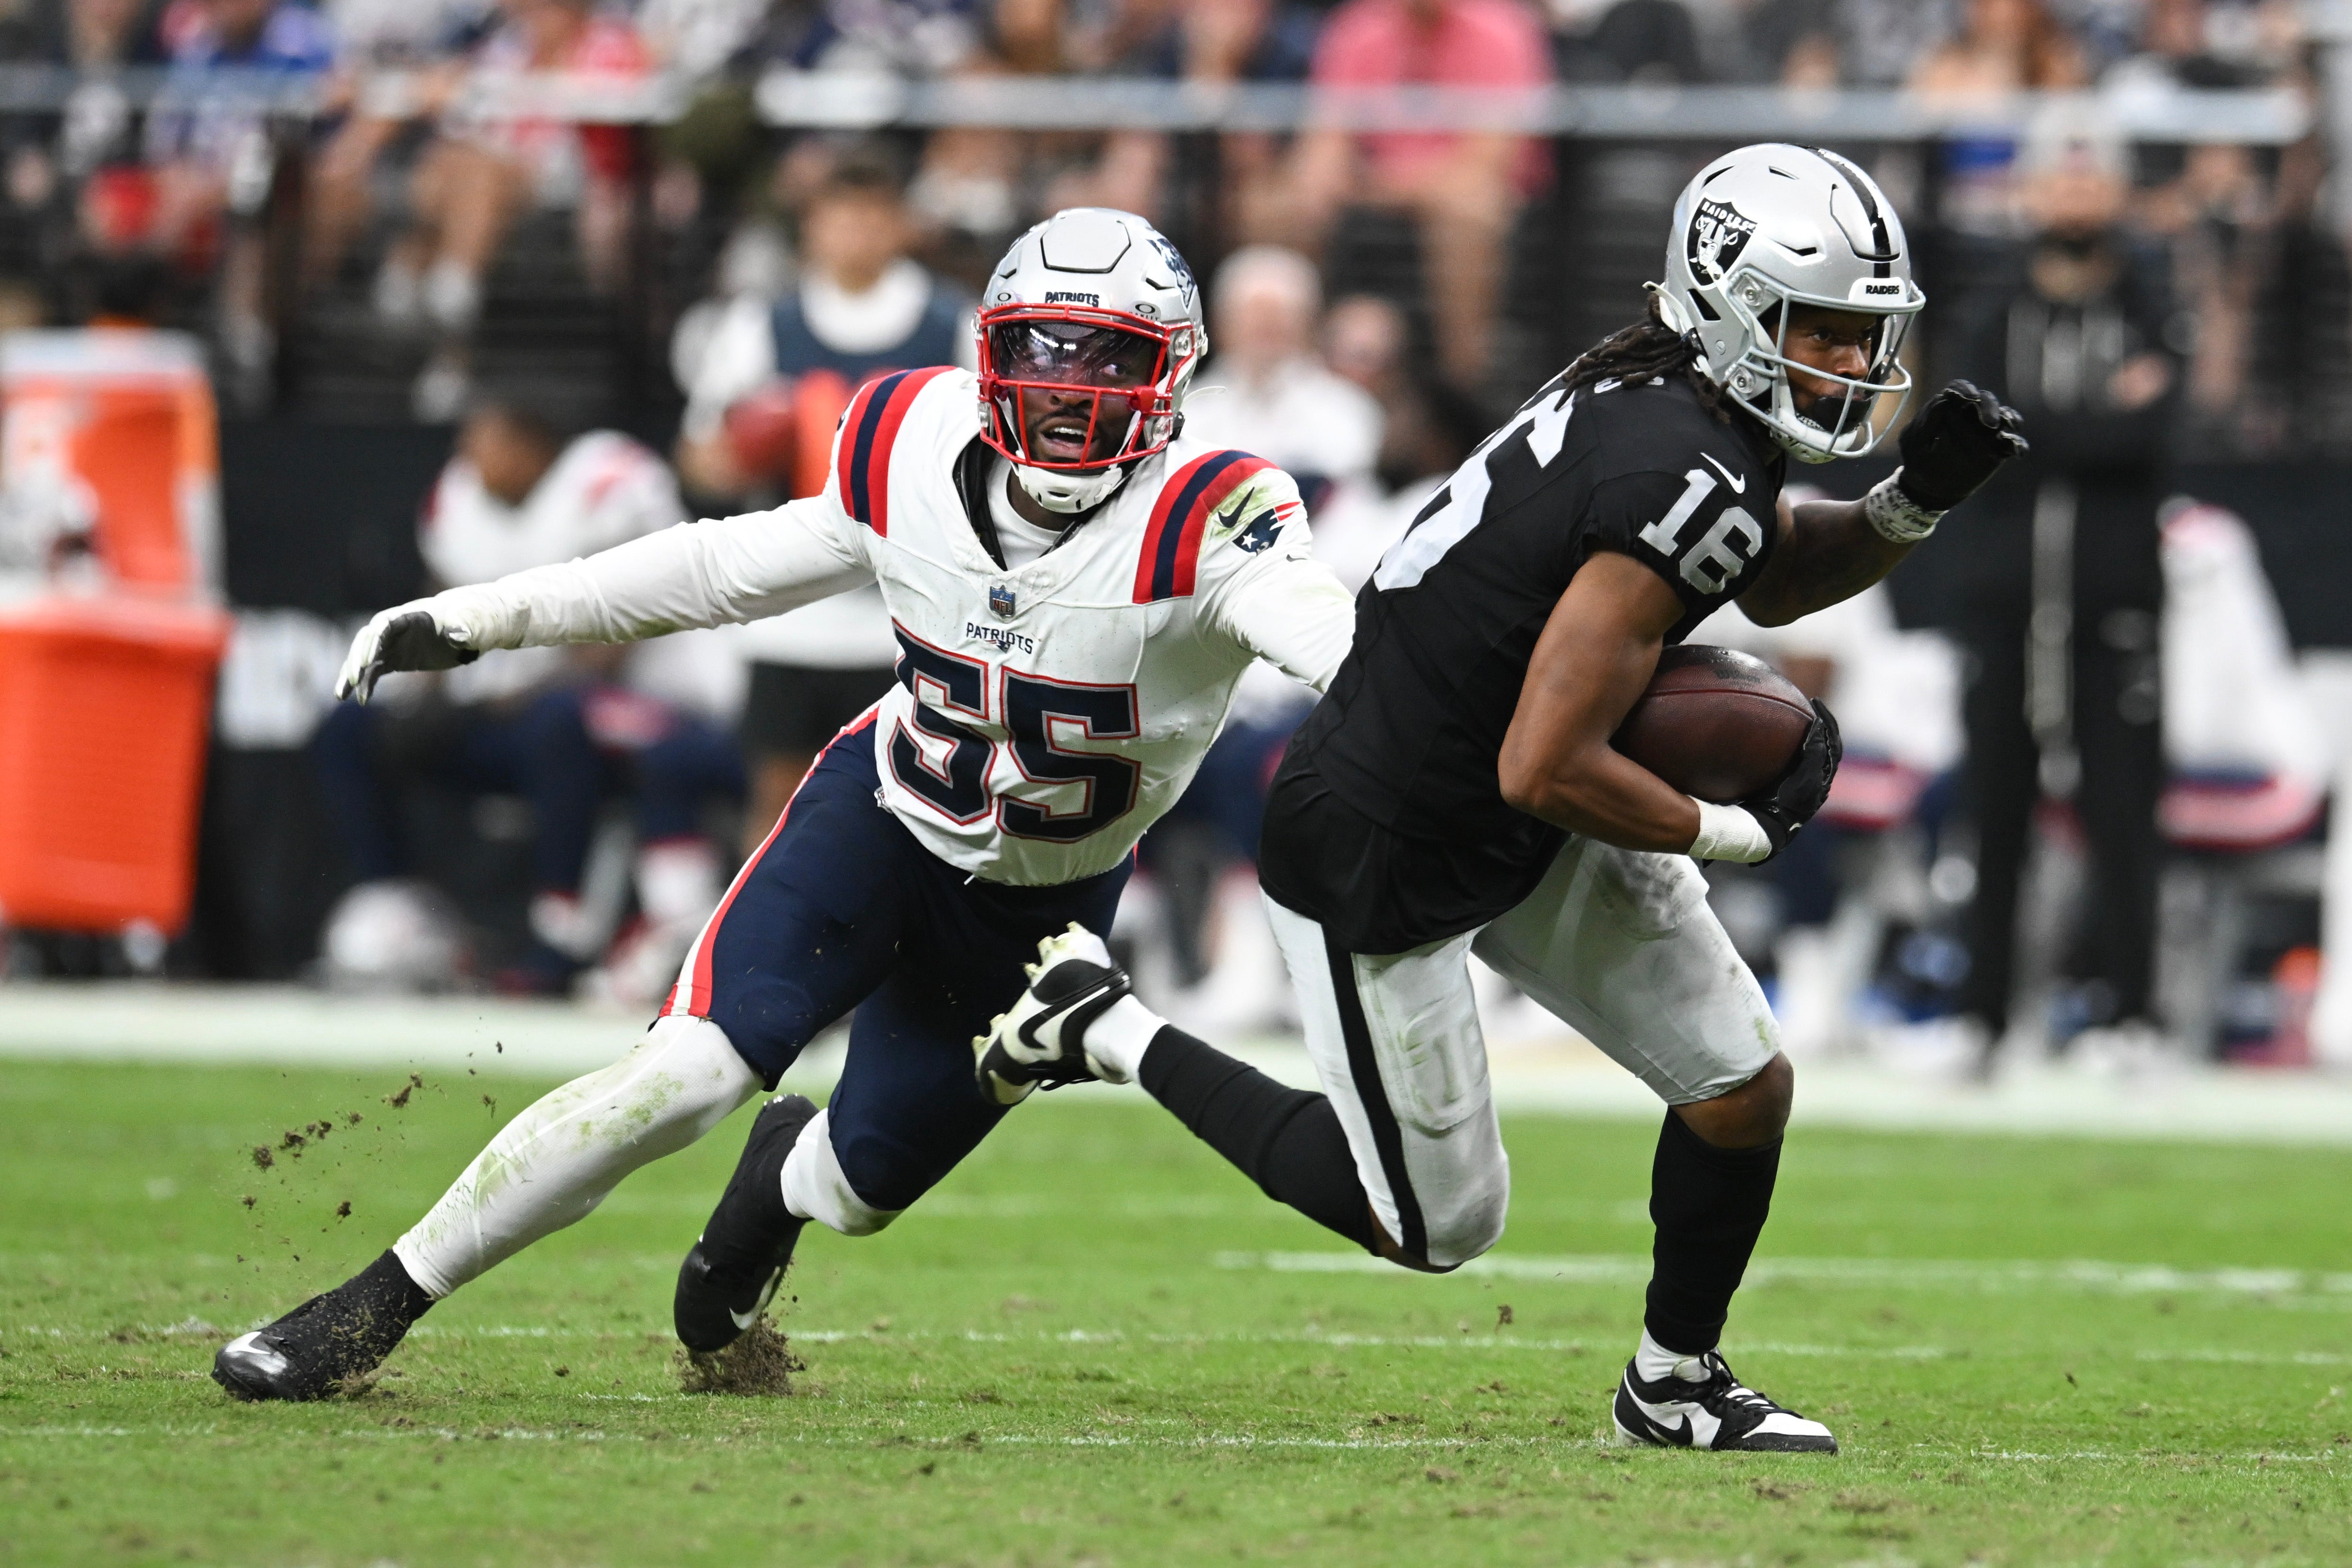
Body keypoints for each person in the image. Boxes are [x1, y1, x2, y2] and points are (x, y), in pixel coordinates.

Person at [210, 207, 1360, 1402]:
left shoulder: (1214, 518)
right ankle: (371, 1305)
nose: (1066, 388)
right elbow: (720, 567)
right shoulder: (911, 439)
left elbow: (1349, 654)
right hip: (879, 817)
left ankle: (772, 1190)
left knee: (862, 1185)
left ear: (1173, 373)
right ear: (989, 349)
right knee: (680, 1077)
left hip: (1037, 911)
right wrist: (486, 615)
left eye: (1107, 357)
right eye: (1040, 348)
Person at [978, 145, 2026, 1452]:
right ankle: (1100, 1021)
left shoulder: (1673, 399)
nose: (1851, 361)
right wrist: (1727, 830)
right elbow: (1548, 758)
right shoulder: (1672, 455)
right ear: (1731, 304)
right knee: (1433, 1223)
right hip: (1393, 832)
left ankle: (1674, 1381)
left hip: (1513, 789)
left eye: (1863, 333)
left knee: (1739, 1083)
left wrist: (1909, 502)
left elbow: (1760, 570)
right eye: (1820, 328)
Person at [311, 398, 745, 997]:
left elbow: (613, 646)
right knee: (353, 727)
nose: (470, 458)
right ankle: (393, 900)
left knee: (559, 720)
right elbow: (440, 609)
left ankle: (561, 932)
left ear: (533, 444)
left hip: (658, 708)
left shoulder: (608, 480)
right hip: (529, 714)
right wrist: (429, 696)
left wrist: (492, 704)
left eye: (487, 443)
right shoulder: (460, 497)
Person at [1939, 117, 2177, 1068]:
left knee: (2122, 818)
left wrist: (2042, 429)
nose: (2073, 197)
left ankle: (2132, 1019)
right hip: (2004, 605)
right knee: (1992, 816)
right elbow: (1976, 437)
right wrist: (2094, 419)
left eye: (2090, 178)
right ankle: (1980, 1019)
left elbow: (2149, 436)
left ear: (2115, 193)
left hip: (2111, 606)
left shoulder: (2149, 306)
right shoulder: (1993, 310)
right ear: (2029, 192)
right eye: (2058, 178)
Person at [674, 155, 972, 852]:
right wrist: (742, 451)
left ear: (901, 225)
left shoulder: (954, 325)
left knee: (915, 805)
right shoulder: (760, 325)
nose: (856, 232)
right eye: (840, 215)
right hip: (793, 613)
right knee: (782, 797)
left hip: (908, 612)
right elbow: (699, 457)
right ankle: (760, 921)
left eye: (872, 215)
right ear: (811, 227)